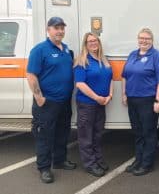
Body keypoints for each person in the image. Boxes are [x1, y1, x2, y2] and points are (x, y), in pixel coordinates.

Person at [26, 17, 76, 184]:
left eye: (62, 28)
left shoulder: (67, 50)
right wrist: (39, 97)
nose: (60, 31)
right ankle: (44, 168)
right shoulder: (39, 50)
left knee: (62, 132)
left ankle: (60, 161)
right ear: (48, 30)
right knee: (45, 136)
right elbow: (31, 75)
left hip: (64, 101)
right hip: (47, 103)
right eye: (56, 28)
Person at [121, 28, 159, 176]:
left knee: (148, 132)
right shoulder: (132, 55)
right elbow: (125, 76)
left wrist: (158, 100)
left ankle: (147, 163)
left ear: (152, 40)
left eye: (147, 38)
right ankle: (138, 159)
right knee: (137, 132)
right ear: (138, 39)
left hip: (148, 100)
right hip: (132, 99)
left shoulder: (157, 56)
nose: (144, 41)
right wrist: (124, 93)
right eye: (141, 38)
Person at [74, 32, 113, 177]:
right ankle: (90, 164)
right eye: (90, 41)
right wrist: (97, 97)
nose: (93, 43)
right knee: (86, 135)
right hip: (87, 104)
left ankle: (97, 159)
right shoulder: (82, 61)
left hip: (101, 103)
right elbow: (80, 84)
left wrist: (109, 95)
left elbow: (110, 78)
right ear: (85, 44)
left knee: (97, 134)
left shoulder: (104, 60)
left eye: (95, 40)